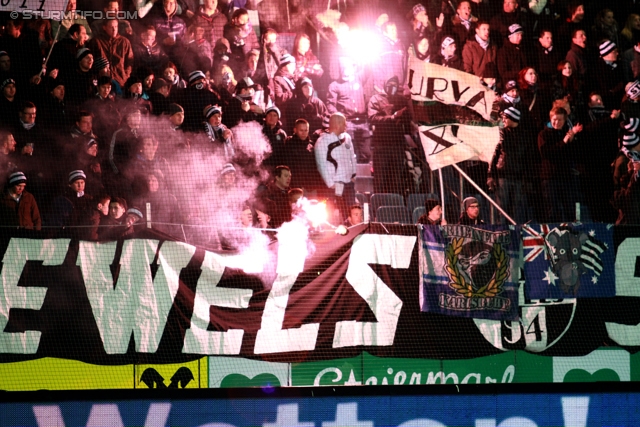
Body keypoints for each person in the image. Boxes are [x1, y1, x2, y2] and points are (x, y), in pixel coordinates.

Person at [538, 106, 583, 222]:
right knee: (551, 208)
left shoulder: (568, 134)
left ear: (565, 120)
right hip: (550, 178)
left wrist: (572, 141)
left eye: (560, 120)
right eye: (554, 119)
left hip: (566, 177)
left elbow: (575, 155)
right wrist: (563, 142)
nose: (556, 122)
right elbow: (546, 153)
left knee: (570, 207)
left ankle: (573, 231)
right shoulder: (544, 134)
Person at [368, 76, 411, 195]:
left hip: (397, 144)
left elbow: (408, 120)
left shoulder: (401, 100)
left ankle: (395, 204)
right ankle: (378, 205)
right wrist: (392, 117)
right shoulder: (375, 99)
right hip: (382, 144)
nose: (392, 87)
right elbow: (372, 118)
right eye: (390, 84)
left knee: (396, 178)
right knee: (380, 178)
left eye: (395, 85)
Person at [315, 112, 357, 220]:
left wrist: (354, 175)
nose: (346, 126)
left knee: (351, 211)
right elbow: (321, 165)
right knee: (337, 213)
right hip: (335, 185)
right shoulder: (322, 141)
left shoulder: (347, 137)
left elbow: (352, 156)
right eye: (344, 123)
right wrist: (330, 183)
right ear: (337, 124)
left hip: (349, 183)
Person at [87, 19, 133, 89]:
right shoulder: (96, 41)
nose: (114, 29)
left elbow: (129, 61)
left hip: (120, 81)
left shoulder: (125, 42)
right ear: (104, 27)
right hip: (102, 82)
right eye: (111, 27)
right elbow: (90, 60)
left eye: (116, 26)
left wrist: (126, 75)